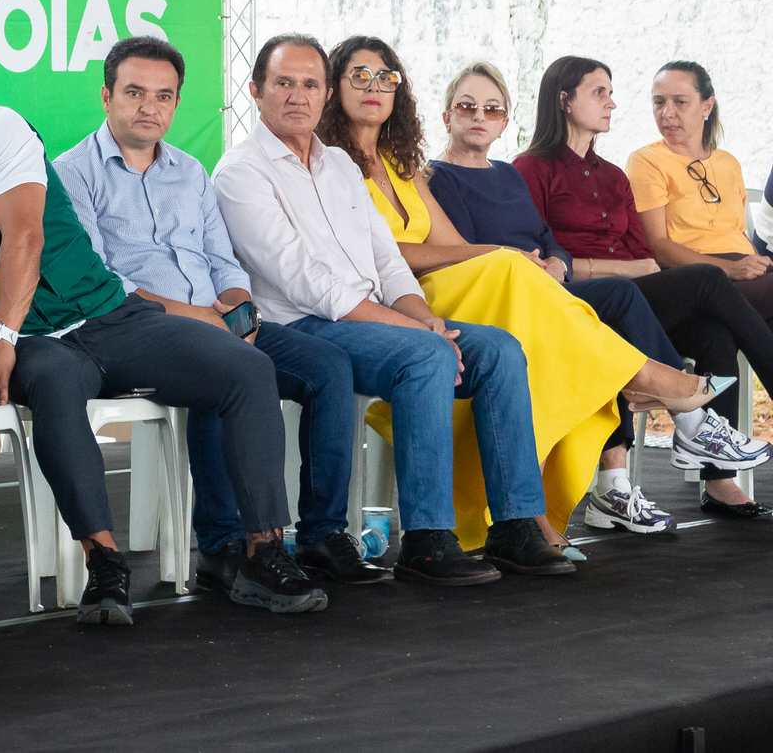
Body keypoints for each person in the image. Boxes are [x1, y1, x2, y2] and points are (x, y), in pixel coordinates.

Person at [0, 70, 323, 623]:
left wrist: (0, 339)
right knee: (54, 382)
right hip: (30, 343)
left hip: (105, 314)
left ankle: (262, 553)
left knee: (247, 368)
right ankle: (105, 564)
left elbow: (26, 235)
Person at [314, 36, 726, 562]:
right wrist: (503, 253)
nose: (374, 87)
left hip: (438, 286)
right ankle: (641, 377)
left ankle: (535, 512)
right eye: (359, 75)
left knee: (541, 344)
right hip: (388, 300)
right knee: (515, 271)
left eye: (385, 77)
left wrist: (516, 257)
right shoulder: (328, 164)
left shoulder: (402, 165)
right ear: (334, 87)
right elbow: (376, 254)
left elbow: (451, 247)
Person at [215, 33, 555, 586]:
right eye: (283, 83)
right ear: (255, 90)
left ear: (326, 94)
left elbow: (389, 262)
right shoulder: (240, 172)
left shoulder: (341, 166)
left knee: (498, 349)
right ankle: (426, 539)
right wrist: (418, 333)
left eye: (310, 84)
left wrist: (425, 317)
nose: (298, 96)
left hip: (372, 318)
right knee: (425, 356)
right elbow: (307, 283)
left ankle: (515, 525)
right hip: (301, 326)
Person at [55, 35, 391, 592]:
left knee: (328, 366)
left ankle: (323, 532)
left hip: (219, 320)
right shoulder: (73, 174)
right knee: (226, 368)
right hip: (136, 331)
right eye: (134, 92)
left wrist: (238, 306)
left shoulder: (190, 171)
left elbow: (221, 258)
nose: (149, 107)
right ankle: (225, 545)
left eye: (164, 96)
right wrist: (199, 318)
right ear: (106, 96)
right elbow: (101, 282)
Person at [425, 60, 718, 535]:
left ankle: (632, 466)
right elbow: (463, 251)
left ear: (504, 121)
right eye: (467, 106)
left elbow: (549, 239)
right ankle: (683, 413)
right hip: (497, 295)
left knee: (629, 306)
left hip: (545, 287)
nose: (479, 116)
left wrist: (557, 265)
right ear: (446, 117)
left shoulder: (508, 173)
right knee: (619, 299)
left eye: (492, 109)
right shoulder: (438, 177)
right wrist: (525, 264)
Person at [516, 56, 773, 522]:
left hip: (636, 292)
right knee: (705, 280)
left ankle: (713, 470)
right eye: (600, 93)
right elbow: (539, 257)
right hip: (577, 301)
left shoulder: (613, 175)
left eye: (611, 93)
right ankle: (691, 426)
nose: (613, 103)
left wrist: (630, 268)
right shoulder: (531, 168)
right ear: (564, 100)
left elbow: (645, 257)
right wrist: (605, 268)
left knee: (716, 336)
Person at [630, 61, 773, 313]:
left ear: (707, 105)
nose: (667, 113)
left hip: (744, 269)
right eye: (659, 102)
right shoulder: (645, 161)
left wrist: (758, 263)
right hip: (695, 275)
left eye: (680, 102)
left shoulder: (728, 163)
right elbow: (658, 246)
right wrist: (730, 269)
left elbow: (737, 232)